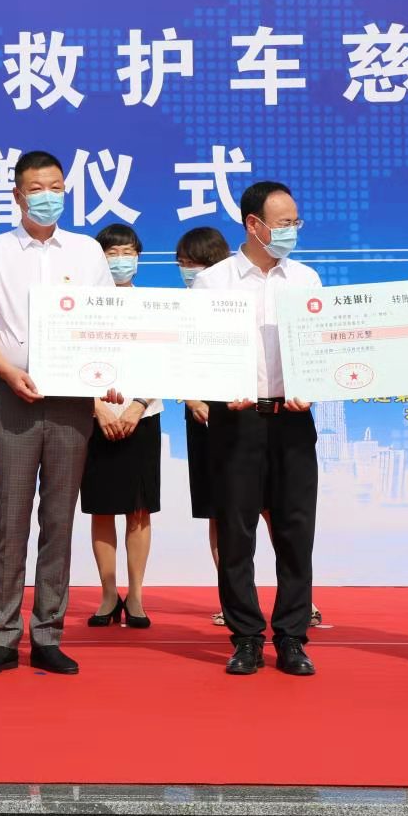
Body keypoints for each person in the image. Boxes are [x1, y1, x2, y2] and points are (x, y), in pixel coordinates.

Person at [0, 150, 120, 676]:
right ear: (17, 195)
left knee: (58, 520)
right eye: (36, 188)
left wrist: (107, 377)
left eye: (56, 187)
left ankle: (48, 634)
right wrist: (7, 371)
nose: (47, 197)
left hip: (71, 401)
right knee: (11, 520)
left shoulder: (87, 252)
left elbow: (108, 320)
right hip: (14, 397)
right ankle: (4, 636)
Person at [195, 180, 320, 677]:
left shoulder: (306, 279)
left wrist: (314, 384)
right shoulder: (214, 283)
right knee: (236, 533)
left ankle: (292, 637)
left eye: (295, 222)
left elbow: (322, 349)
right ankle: (246, 636)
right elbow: (197, 353)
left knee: (295, 533)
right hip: (236, 420)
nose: (293, 230)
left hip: (293, 419)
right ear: (254, 225)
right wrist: (217, 389)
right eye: (284, 223)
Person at [81, 223, 161, 630]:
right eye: (111, 253)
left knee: (138, 510)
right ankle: (109, 594)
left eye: (128, 252)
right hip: (95, 418)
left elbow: (167, 360)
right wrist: (97, 407)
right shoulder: (81, 304)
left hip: (141, 417)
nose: (120, 260)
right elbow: (68, 359)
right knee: (101, 508)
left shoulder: (153, 305)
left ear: (139, 257)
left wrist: (138, 405)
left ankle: (137, 596)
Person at [174, 225, 232, 628]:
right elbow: (173, 360)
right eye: (183, 264)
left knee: (271, 509)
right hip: (201, 416)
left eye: (195, 263)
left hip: (245, 413)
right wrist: (193, 399)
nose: (188, 271)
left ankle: (300, 599)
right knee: (218, 510)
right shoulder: (180, 308)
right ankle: (232, 598)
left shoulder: (239, 300)